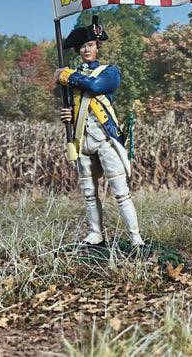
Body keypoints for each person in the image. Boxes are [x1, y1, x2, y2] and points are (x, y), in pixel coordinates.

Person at [54, 16, 144, 247]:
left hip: (105, 140)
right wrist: (68, 115)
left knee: (120, 191)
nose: (87, 49)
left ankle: (135, 238)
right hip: (82, 140)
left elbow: (94, 87)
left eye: (90, 45)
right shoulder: (74, 80)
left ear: (97, 46)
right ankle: (96, 233)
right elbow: (78, 107)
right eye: (83, 46)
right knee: (88, 192)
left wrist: (65, 76)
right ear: (78, 50)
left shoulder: (109, 72)